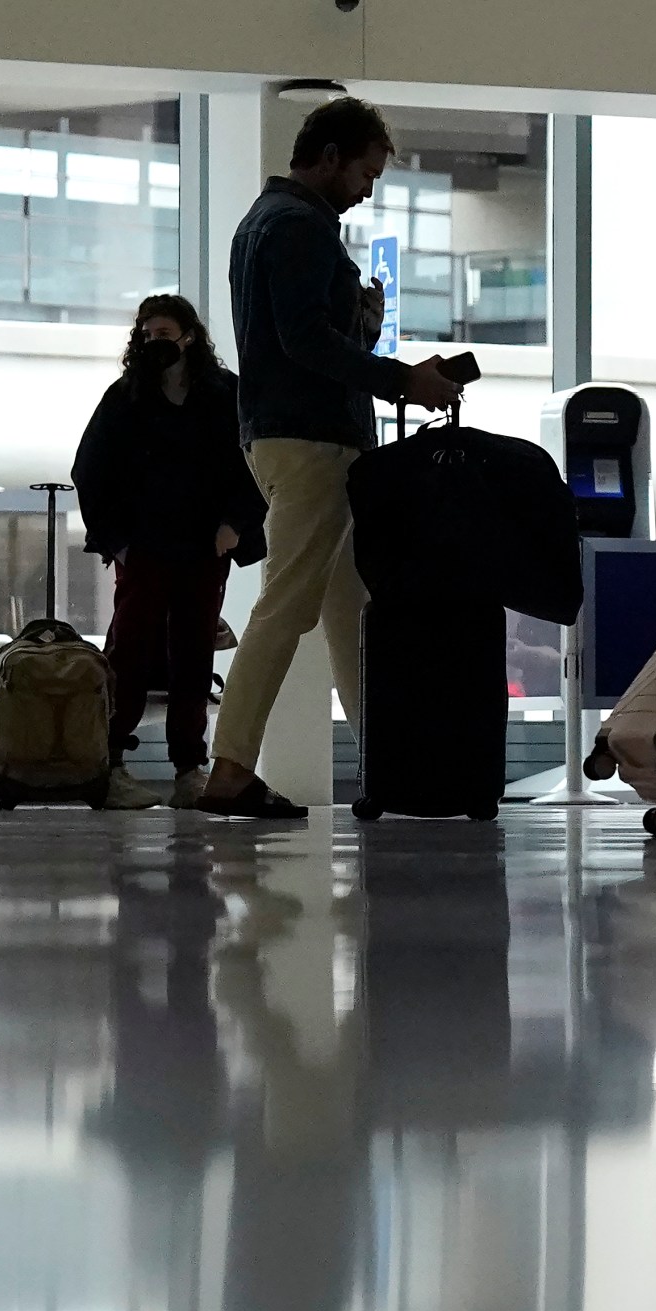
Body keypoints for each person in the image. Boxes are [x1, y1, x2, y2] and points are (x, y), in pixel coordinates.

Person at [198, 97, 463, 820]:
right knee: (286, 607)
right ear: (328, 157)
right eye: (365, 172)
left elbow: (296, 336)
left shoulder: (261, 224)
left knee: (351, 611)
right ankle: (229, 769)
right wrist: (404, 378)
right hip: (314, 440)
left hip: (284, 435)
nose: (368, 188)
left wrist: (361, 324)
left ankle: (388, 766)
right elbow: (305, 342)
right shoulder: (300, 228)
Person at [72, 295, 267, 811]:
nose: (157, 342)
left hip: (205, 547)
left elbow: (256, 462)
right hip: (145, 550)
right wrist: (117, 541)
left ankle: (189, 768)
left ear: (190, 336)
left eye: (166, 332)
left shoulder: (227, 396)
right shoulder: (125, 398)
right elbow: (90, 471)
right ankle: (109, 765)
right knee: (129, 651)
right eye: (148, 333)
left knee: (193, 656)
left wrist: (235, 524)